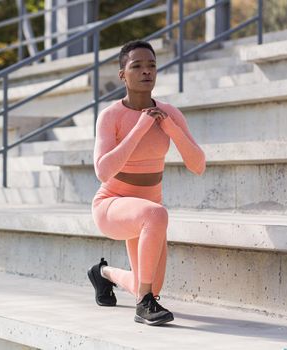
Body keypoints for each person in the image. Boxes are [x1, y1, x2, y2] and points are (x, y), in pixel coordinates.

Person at [87, 40, 206, 326]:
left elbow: (198, 165)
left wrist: (171, 129)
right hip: (112, 205)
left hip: (147, 213)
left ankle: (102, 274)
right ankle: (144, 306)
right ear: (122, 75)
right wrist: (140, 128)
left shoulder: (169, 112)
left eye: (151, 65)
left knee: (151, 284)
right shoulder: (111, 116)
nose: (146, 71)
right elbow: (103, 171)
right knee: (156, 214)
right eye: (136, 66)